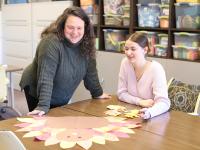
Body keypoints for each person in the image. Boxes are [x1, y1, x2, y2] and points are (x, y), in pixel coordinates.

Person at [20, 6, 111, 116]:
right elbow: (46, 77)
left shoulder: (87, 43)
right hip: (36, 86)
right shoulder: (51, 43)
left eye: (79, 28)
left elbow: (90, 72)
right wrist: (43, 105)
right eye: (70, 27)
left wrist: (97, 93)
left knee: (58, 119)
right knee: (44, 121)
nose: (75, 32)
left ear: (85, 28)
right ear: (63, 26)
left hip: (60, 89)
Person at [117, 32, 170, 119]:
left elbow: (164, 103)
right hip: (130, 115)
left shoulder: (156, 69)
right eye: (126, 49)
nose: (128, 53)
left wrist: (149, 112)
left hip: (152, 117)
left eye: (133, 49)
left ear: (145, 50)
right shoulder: (125, 63)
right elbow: (121, 93)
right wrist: (140, 102)